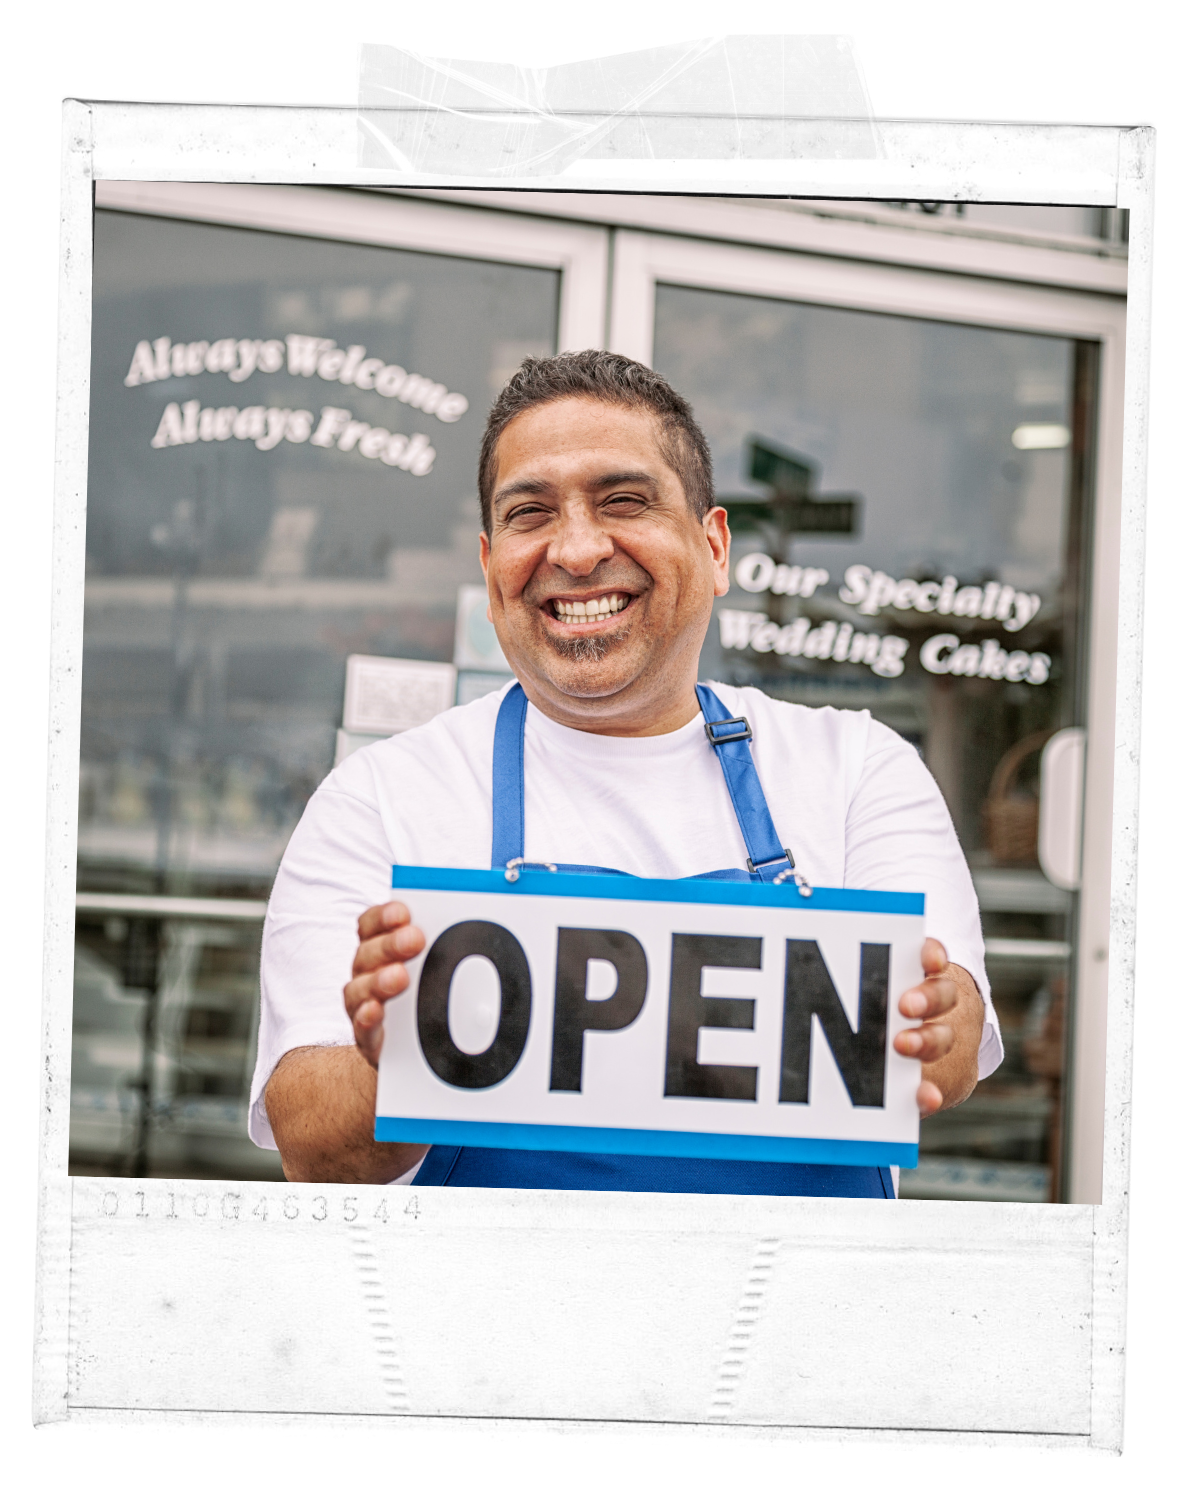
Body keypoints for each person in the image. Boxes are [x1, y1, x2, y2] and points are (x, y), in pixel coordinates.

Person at [251, 351, 1000, 1194]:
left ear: (714, 548)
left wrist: (934, 1023)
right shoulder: (380, 799)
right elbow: (312, 1149)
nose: (575, 549)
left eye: (624, 501)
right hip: (485, 1321)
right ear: (492, 569)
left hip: (789, 1319)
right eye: (532, 513)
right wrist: (402, 1064)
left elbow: (956, 1050)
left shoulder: (857, 769)